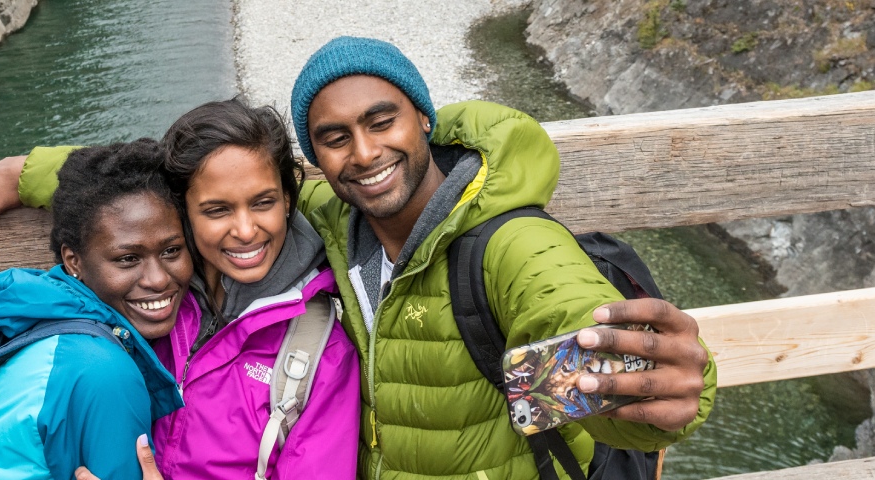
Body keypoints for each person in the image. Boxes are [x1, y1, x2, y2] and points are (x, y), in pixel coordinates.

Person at [285, 36, 716, 479]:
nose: (365, 152)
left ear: (423, 118)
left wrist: (663, 393)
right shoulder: (334, 224)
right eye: (336, 139)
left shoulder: (512, 246)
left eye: (381, 122)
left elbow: (571, 318)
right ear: (315, 157)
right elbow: (252, 198)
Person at [0, 100, 361, 479]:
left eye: (263, 203)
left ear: (287, 201)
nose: (245, 231)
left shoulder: (320, 355)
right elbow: (114, 183)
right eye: (217, 210)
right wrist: (28, 175)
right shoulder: (150, 301)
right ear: (182, 211)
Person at [0, 139, 189, 480]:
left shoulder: (39, 313)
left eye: (171, 251)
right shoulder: (105, 373)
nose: (157, 279)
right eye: (127, 259)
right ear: (73, 260)